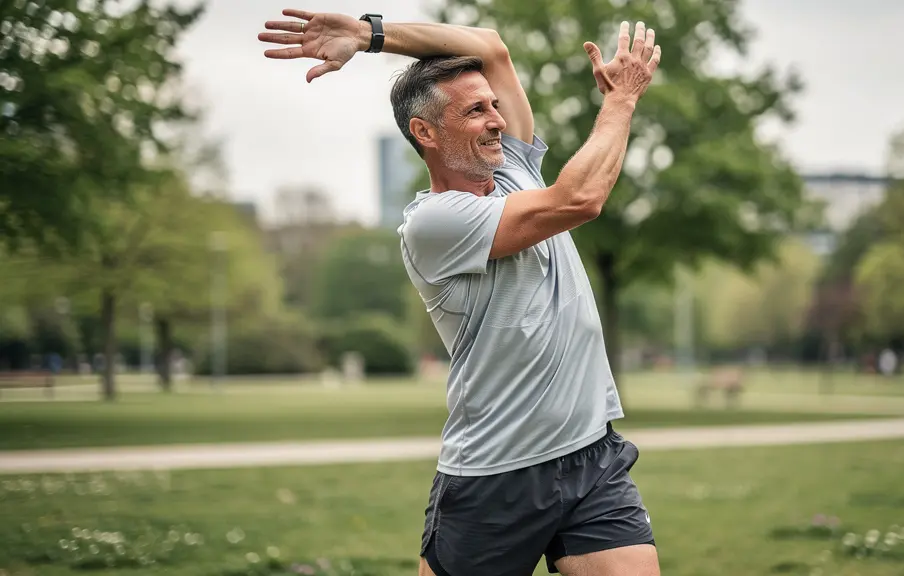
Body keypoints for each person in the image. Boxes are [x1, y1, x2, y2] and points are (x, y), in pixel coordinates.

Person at [259, 10, 662, 576]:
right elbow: (580, 200)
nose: (497, 118)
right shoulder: (434, 225)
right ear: (425, 133)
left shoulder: (515, 168)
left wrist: (369, 36)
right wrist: (621, 101)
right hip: (498, 472)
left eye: (493, 105)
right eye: (476, 110)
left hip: (589, 453)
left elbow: (491, 47)